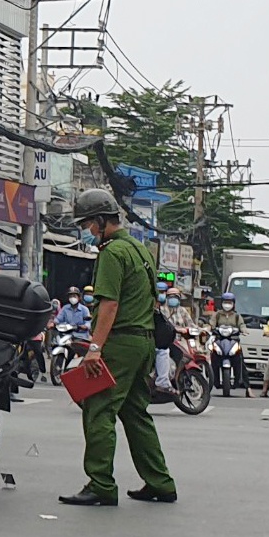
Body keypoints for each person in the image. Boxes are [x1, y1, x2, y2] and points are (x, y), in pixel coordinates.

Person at [60, 189, 177, 507]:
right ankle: (160, 481)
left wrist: (95, 348)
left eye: (87, 225)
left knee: (98, 409)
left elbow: (109, 305)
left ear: (100, 221)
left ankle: (100, 484)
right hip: (145, 342)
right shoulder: (139, 249)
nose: (86, 231)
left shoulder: (112, 253)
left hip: (120, 343)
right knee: (135, 412)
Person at [209, 291, 250, 397]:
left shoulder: (237, 316)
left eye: (230, 302)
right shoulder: (217, 314)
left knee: (240, 360)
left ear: (233, 304)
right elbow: (211, 324)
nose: (227, 305)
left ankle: (246, 386)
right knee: (213, 357)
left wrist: (244, 330)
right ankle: (211, 383)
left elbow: (242, 325)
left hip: (233, 340)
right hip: (219, 340)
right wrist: (208, 328)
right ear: (222, 303)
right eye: (225, 302)